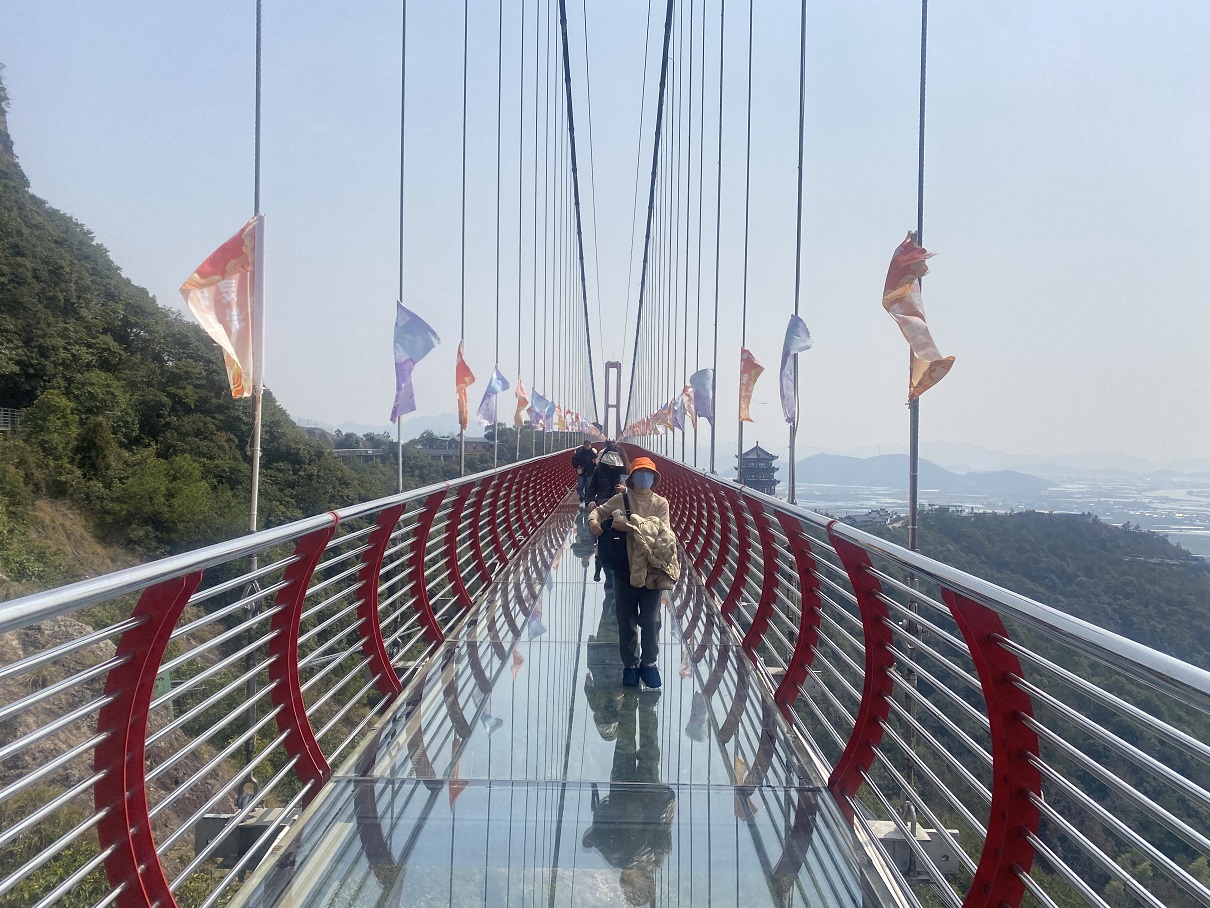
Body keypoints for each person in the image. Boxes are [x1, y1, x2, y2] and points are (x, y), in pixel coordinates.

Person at [588, 456, 677, 689]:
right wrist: (593, 522)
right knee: (625, 619)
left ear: (654, 478)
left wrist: (627, 526)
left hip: (652, 569)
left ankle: (649, 663)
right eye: (640, 473)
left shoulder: (661, 503)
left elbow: (662, 531)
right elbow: (598, 512)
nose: (644, 477)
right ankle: (630, 665)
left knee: (651, 620)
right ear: (632, 478)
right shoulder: (621, 499)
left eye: (649, 474)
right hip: (623, 568)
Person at [580, 692, 676, 906]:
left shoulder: (658, 858)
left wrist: (668, 800)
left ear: (649, 882)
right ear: (627, 884)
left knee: (649, 747)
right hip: (621, 791)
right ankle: (629, 702)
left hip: (649, 792)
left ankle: (647, 705)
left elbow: (665, 825)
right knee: (625, 743)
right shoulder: (615, 858)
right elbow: (596, 829)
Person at [571, 440, 597, 504]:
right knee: (580, 486)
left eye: (588, 445)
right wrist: (577, 465)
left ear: (590, 445)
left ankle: (586, 500)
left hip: (590, 472)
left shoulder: (593, 453)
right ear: (583, 445)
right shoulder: (579, 452)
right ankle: (582, 495)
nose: (587, 446)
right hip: (581, 472)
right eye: (585, 445)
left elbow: (596, 462)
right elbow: (574, 460)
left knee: (588, 487)